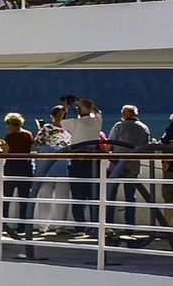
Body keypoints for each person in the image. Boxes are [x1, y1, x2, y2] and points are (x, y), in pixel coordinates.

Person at [63, 97, 104, 234]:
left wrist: (66, 107)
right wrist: (83, 101)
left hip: (78, 163)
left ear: (79, 110)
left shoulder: (74, 123)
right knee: (94, 197)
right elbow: (98, 112)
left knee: (78, 198)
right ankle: (96, 226)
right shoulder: (97, 122)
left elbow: (57, 122)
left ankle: (80, 227)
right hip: (93, 164)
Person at [108, 106, 153, 229]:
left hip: (116, 166)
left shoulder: (119, 126)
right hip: (133, 167)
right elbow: (145, 147)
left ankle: (108, 224)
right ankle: (130, 226)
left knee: (110, 195)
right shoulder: (144, 127)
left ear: (124, 114)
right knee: (130, 196)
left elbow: (109, 145)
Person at [3, 113, 38, 247]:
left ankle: (4, 224)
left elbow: (6, 152)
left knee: (7, 198)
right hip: (25, 168)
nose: (8, 127)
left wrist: (0, 148)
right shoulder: (28, 134)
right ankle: (23, 225)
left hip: (12, 168)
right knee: (24, 198)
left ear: (12, 124)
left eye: (8, 124)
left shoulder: (10, 137)